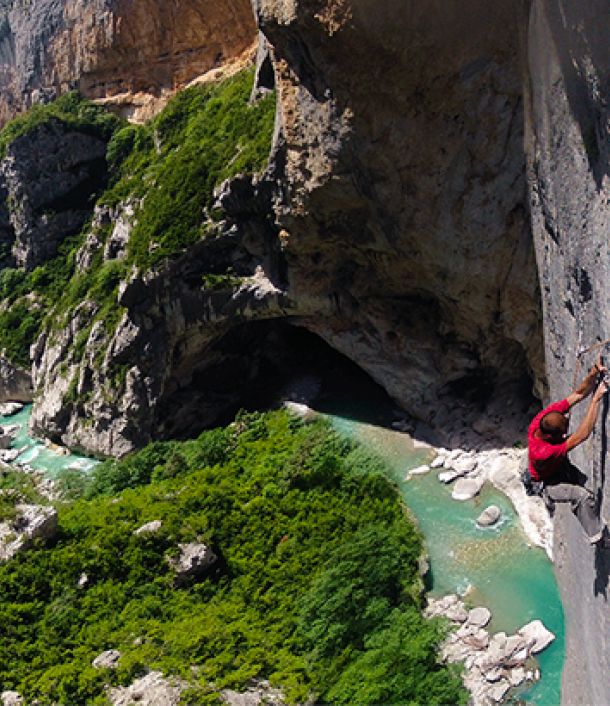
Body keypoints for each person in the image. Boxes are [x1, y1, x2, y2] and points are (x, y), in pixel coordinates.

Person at [527, 358, 609, 545]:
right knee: (583, 496)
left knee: (581, 485)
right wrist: (596, 399)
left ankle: (579, 508)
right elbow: (582, 435)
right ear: (550, 436)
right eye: (562, 434)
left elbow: (578, 394)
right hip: (549, 482)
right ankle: (598, 538)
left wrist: (593, 373)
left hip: (556, 467)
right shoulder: (543, 452)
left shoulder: (542, 420)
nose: (565, 435)